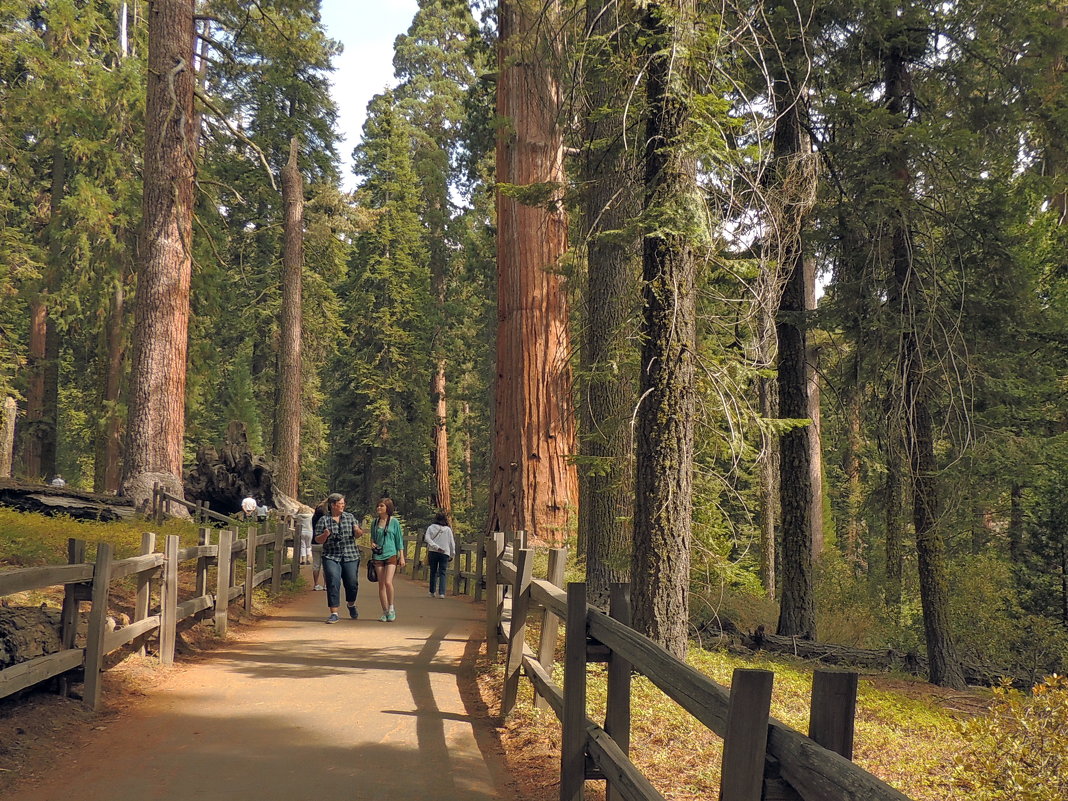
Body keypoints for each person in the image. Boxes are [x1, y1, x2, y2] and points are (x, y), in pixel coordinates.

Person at [313, 493, 364, 623]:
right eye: (340, 504)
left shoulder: (350, 517)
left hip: (350, 554)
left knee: (352, 583)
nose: (342, 506)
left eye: (343, 503)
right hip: (331, 555)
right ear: (333, 505)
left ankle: (351, 604)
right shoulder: (324, 520)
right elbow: (317, 539)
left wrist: (357, 530)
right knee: (332, 581)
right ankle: (334, 612)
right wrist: (325, 535)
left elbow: (358, 535)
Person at [369, 497, 405, 622]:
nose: (379, 508)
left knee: (388, 582)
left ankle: (391, 608)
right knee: (381, 584)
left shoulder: (394, 522)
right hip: (378, 556)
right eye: (378, 506)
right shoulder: (374, 522)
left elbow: (399, 540)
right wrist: (372, 544)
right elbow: (373, 538)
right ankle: (384, 611)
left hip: (391, 554)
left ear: (387, 508)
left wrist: (402, 556)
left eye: (381, 506)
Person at [423, 510, 456, 599]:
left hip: (433, 552)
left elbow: (427, 538)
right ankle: (442, 593)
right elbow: (452, 543)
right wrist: (452, 554)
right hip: (445, 553)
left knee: (433, 571)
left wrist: (436, 547)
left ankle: (432, 592)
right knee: (443, 572)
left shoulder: (431, 527)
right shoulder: (448, 530)